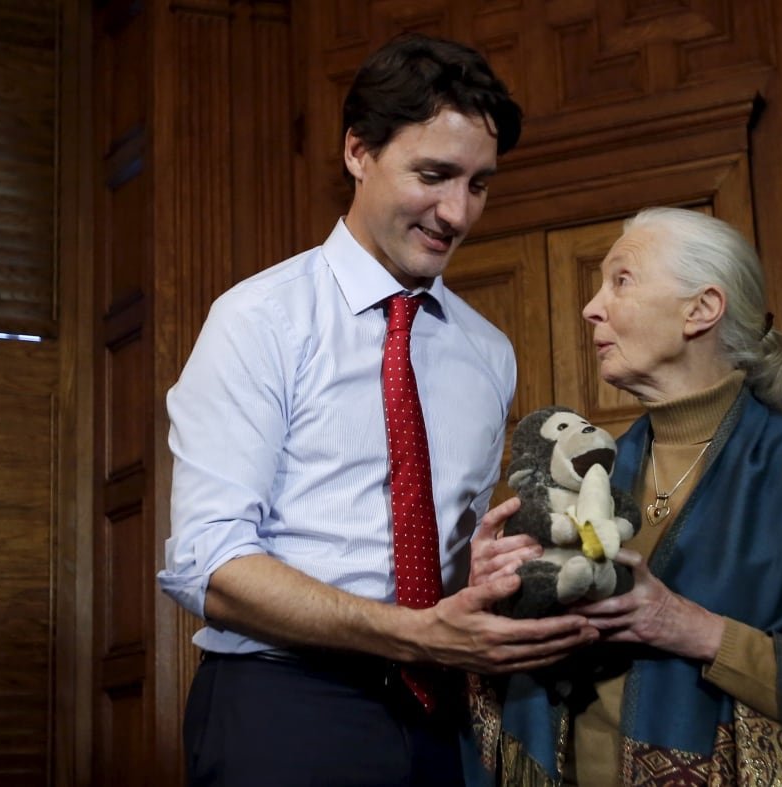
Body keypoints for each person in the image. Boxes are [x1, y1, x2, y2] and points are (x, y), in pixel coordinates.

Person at [156, 33, 597, 787]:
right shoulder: (258, 319)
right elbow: (213, 564)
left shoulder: (488, 353)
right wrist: (417, 635)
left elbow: (441, 563)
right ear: (358, 151)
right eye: (434, 174)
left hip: (445, 717)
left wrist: (489, 575)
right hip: (284, 708)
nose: (457, 213)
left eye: (480, 185)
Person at [468, 207, 782, 786]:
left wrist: (689, 626)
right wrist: (498, 590)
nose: (591, 307)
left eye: (620, 281)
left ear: (701, 309)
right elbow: (520, 663)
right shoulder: (590, 470)